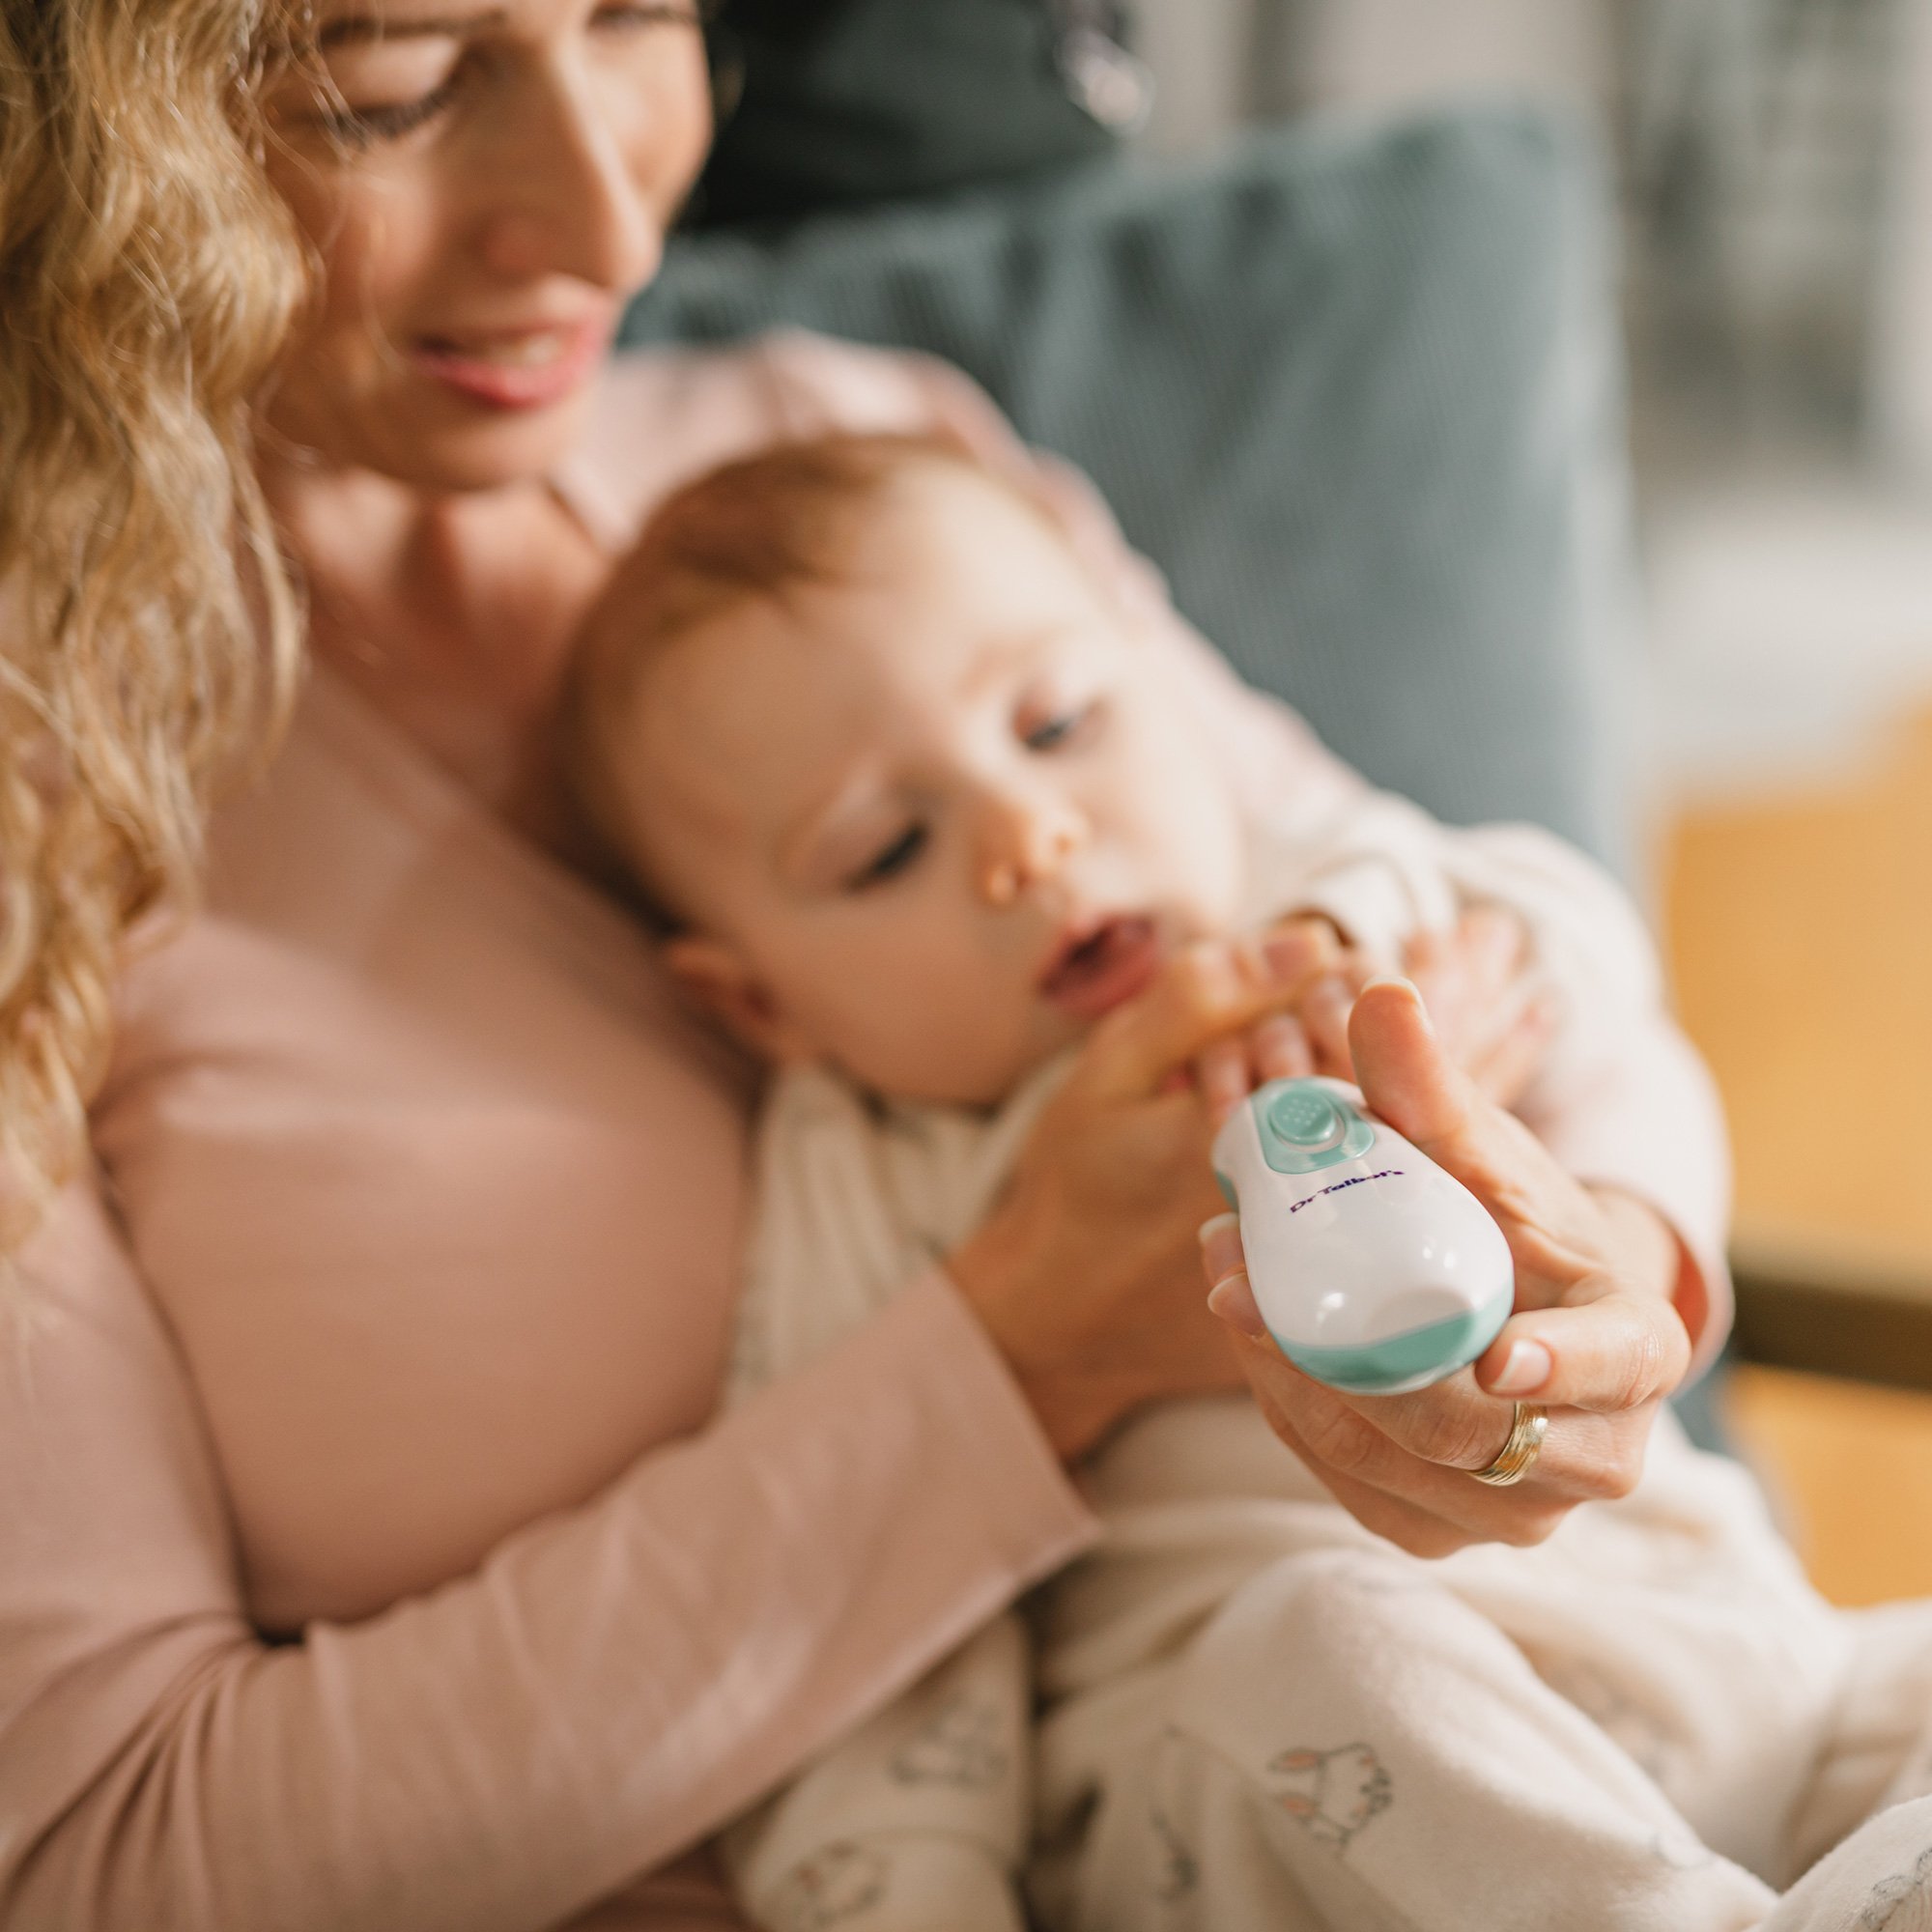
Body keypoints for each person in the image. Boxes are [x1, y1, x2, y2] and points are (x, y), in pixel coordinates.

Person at [0, 3, 1732, 1925]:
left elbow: (1481, 941)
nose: (608, 223)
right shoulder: (35, 815)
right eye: (394, 92)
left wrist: (1608, 1295)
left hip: (1616, 1679)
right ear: (72, 132)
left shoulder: (846, 447)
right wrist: (1028, 1346)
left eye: (636, 17)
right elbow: (110, 1856)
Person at [559, 431, 1932, 1932]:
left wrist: (1363, 940)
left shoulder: (1323, 894)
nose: (1030, 836)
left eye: (1062, 722)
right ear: (765, 1006)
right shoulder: (871, 1177)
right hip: (1310, 1786)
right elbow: (856, 1607)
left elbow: (1567, 933)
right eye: (888, 851)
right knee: (1323, 1634)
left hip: (1730, 1659)